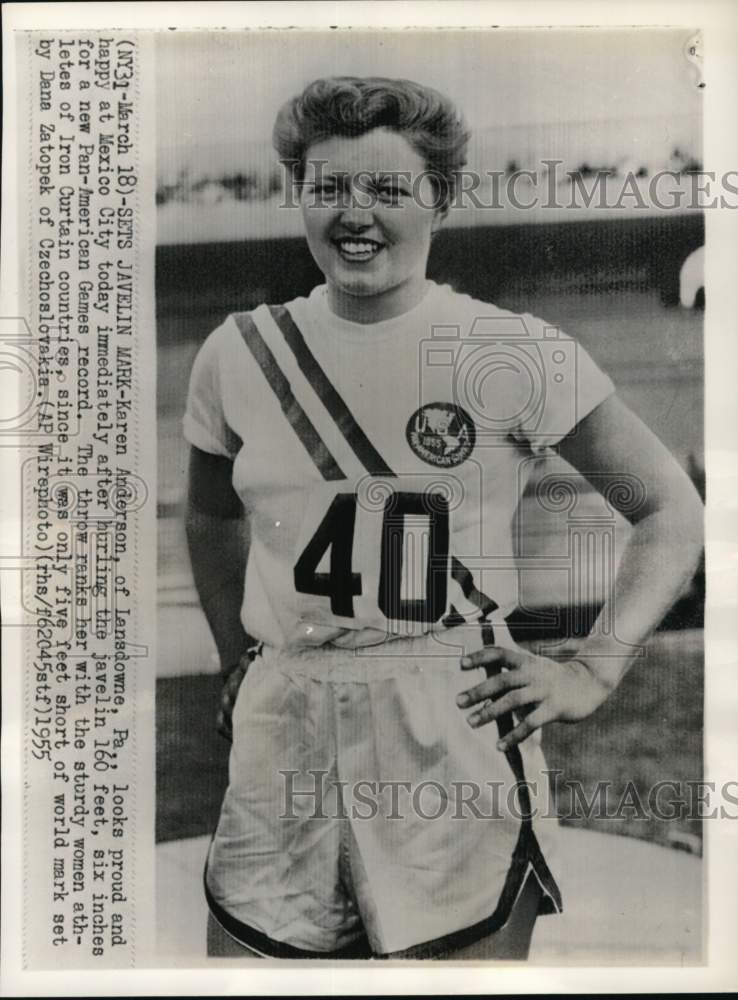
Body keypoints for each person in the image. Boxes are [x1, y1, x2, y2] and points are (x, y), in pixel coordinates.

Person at [183, 76, 703, 960]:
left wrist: (591, 672)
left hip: (448, 719)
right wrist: (241, 661)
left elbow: (671, 511)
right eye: (329, 188)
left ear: (443, 200)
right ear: (297, 194)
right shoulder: (240, 350)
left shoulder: (510, 348)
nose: (356, 215)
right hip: (287, 723)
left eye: (388, 190)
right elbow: (208, 517)